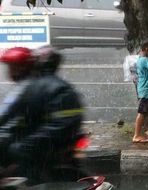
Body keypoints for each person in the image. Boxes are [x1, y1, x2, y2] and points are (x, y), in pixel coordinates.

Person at [0, 46, 86, 185]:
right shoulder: (44, 85)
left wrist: (23, 144)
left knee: (19, 156)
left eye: (13, 67)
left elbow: (9, 113)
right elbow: (11, 115)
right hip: (50, 139)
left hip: (48, 144)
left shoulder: (41, 86)